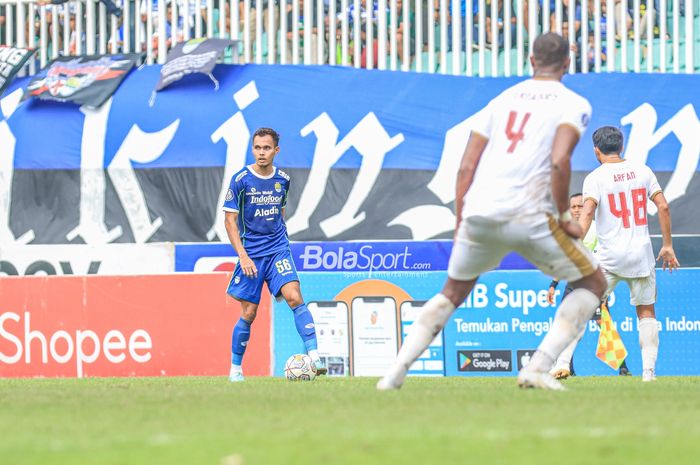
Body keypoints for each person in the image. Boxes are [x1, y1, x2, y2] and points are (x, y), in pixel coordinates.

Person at [377, 32, 607, 392]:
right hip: (530, 215)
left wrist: (460, 222)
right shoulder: (573, 102)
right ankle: (539, 367)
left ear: (531, 61)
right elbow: (560, 162)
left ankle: (395, 373)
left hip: (479, 212)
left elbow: (466, 165)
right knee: (593, 283)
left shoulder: (500, 100)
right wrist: (565, 218)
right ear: (567, 63)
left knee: (452, 292)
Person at [573, 126, 679, 382]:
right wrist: (667, 245)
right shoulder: (643, 170)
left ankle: (561, 363)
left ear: (596, 150)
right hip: (641, 255)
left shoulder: (595, 177)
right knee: (646, 313)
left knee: (580, 308)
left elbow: (586, 213)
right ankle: (648, 373)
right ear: (621, 147)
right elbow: (663, 206)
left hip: (609, 258)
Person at [222, 127, 327, 382]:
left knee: (294, 296)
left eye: (266, 148)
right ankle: (235, 369)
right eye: (257, 147)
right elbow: (229, 221)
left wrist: (281, 238)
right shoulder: (240, 180)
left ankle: (314, 356)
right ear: (252, 149)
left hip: (278, 249)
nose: (261, 152)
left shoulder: (283, 180)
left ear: (276, 150)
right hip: (252, 255)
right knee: (249, 313)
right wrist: (244, 256)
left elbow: (280, 211)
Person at [547, 193, 631, 378]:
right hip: (572, 284)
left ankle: (623, 367)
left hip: (594, 285)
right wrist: (554, 283)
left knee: (604, 325)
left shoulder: (599, 229)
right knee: (566, 325)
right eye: (573, 207)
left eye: (580, 206)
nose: (576, 210)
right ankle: (568, 369)